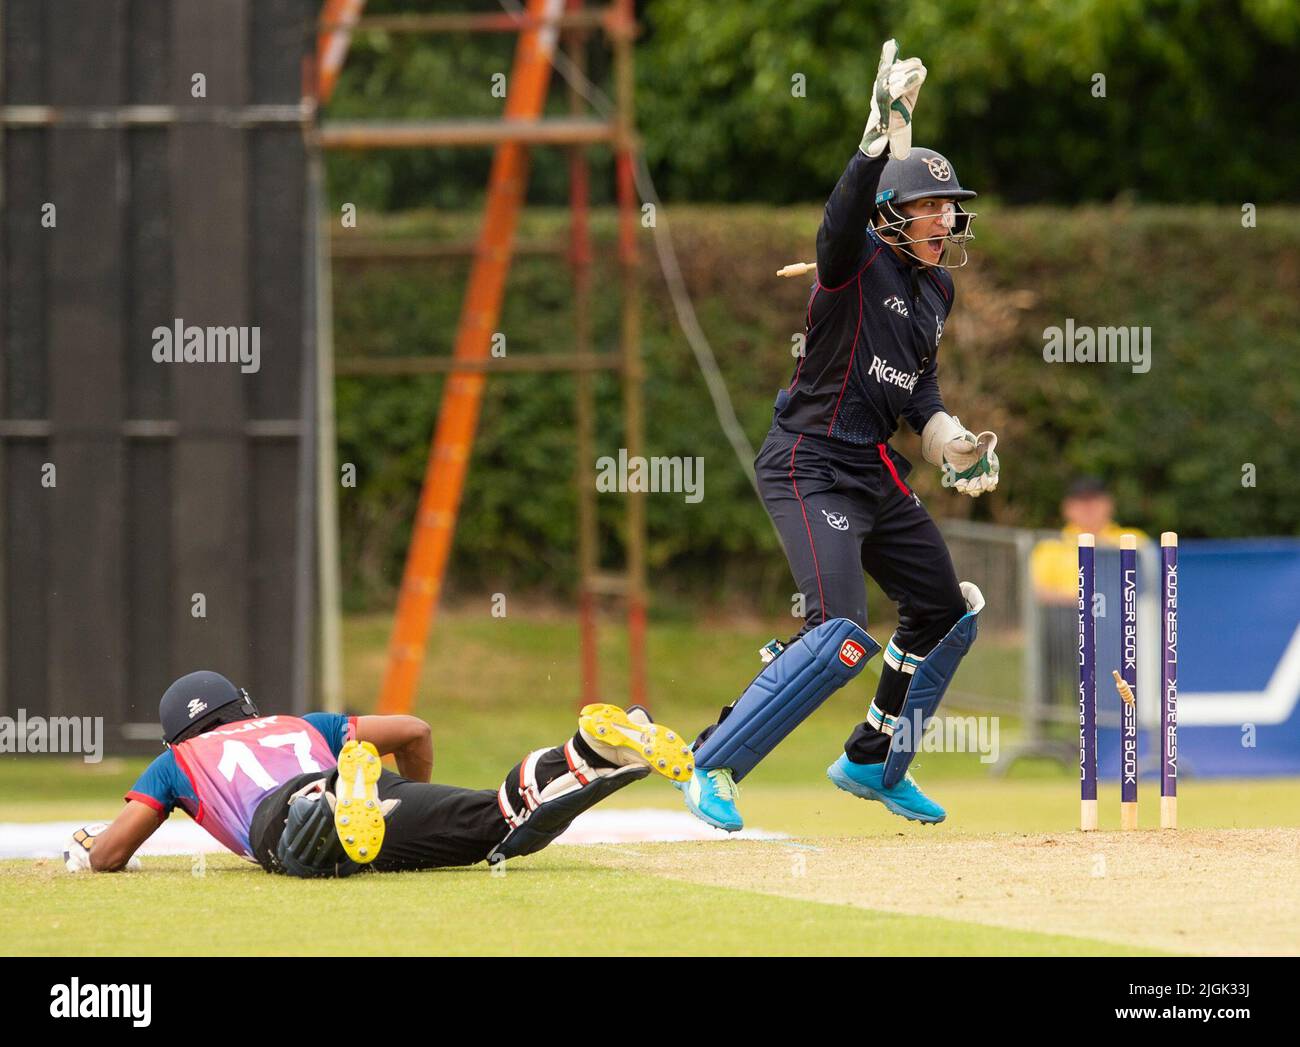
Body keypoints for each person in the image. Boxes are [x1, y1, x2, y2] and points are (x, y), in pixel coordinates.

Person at [678, 40, 999, 832]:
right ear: (892, 215)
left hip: (872, 463)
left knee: (944, 611)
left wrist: (952, 440)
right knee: (840, 634)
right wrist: (874, 140)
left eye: (949, 206)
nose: (944, 218)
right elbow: (838, 222)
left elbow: (915, 390)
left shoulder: (937, 290)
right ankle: (713, 758)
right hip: (807, 459)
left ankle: (873, 757)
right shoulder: (853, 260)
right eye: (928, 206)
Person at [64, 670, 692, 876]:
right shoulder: (298, 722)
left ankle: (335, 806)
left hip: (285, 816)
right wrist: (409, 792)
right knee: (496, 821)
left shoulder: (177, 762)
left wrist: (90, 846)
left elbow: (113, 853)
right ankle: (587, 750)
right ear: (244, 708)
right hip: (370, 785)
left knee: (306, 853)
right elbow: (415, 730)